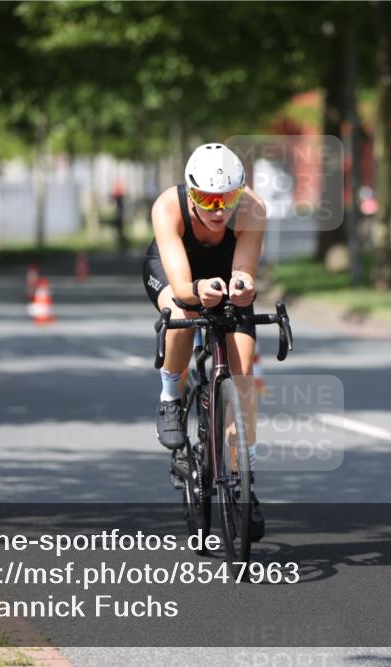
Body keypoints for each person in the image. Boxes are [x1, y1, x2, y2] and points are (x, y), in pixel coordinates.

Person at [142, 143, 267, 539]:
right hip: (175, 270)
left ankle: (242, 479)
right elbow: (181, 285)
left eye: (227, 200)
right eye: (207, 200)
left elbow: (244, 270)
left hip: (223, 274)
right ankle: (169, 396)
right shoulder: (168, 206)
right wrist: (198, 290)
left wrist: (243, 288)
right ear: (191, 192)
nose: (217, 211)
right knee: (184, 312)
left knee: (243, 376)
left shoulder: (253, 209)